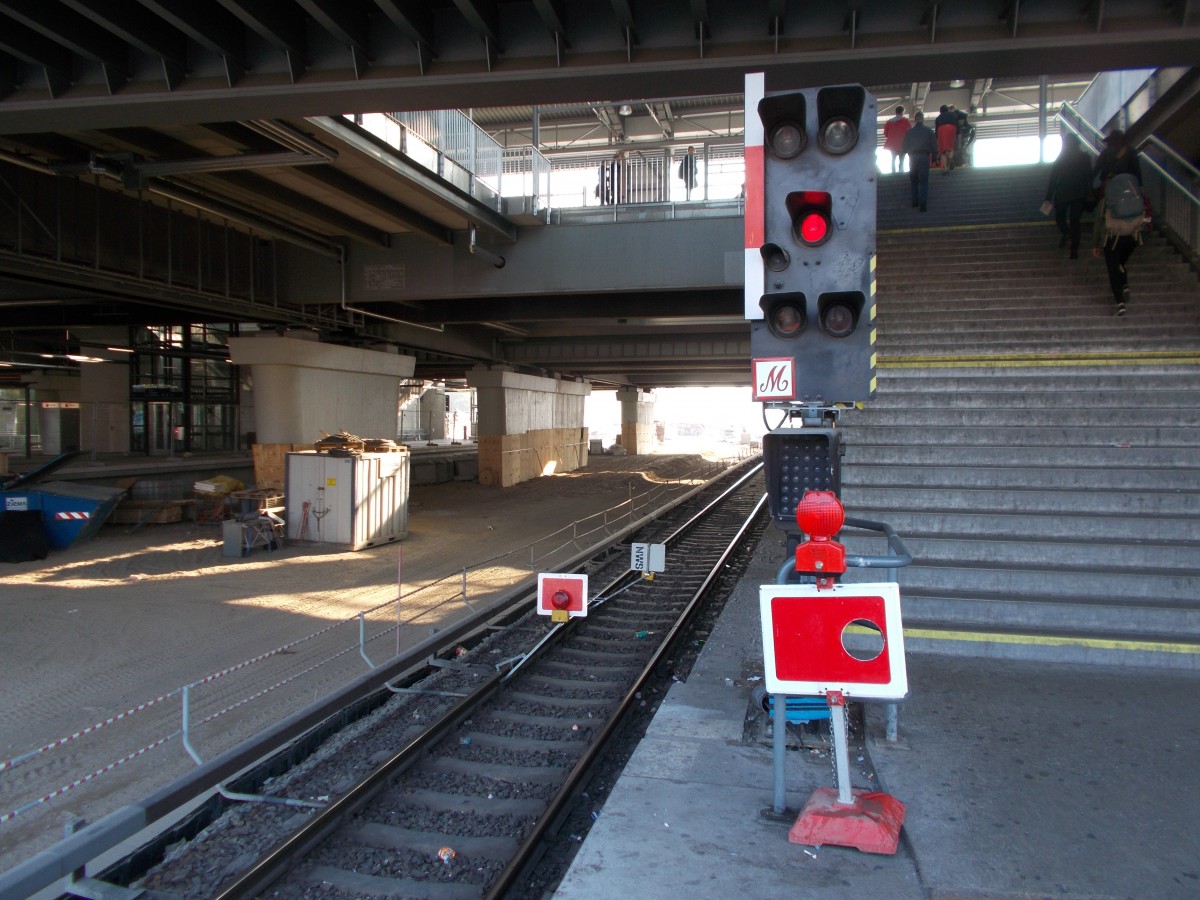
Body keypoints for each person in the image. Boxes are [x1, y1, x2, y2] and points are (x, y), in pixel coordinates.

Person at [1091, 129, 1144, 316]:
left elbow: (1095, 174)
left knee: (1112, 262)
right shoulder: (1131, 152)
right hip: (1132, 218)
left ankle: (1120, 302)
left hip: (1112, 214)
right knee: (1120, 260)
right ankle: (1124, 280)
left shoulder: (1105, 153)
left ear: (1109, 141)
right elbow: (1139, 178)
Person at [1044, 134, 1092, 259]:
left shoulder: (1061, 157)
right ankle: (1074, 250)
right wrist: (1089, 193)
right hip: (1079, 194)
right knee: (1075, 222)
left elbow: (1053, 178)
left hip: (1063, 193)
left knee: (1060, 218)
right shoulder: (1085, 157)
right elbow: (1089, 177)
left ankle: (1067, 233)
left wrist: (1048, 197)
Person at [900, 111, 937, 212]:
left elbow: (904, 147)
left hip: (912, 158)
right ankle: (923, 204)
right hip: (924, 157)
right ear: (923, 119)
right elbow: (934, 145)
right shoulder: (929, 131)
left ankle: (915, 201)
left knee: (914, 180)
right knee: (924, 181)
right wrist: (935, 157)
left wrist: (901, 161)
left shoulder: (909, 132)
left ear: (915, 120)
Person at [882, 106, 912, 173]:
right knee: (901, 160)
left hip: (892, 145)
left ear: (896, 112)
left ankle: (893, 172)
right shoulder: (906, 121)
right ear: (902, 112)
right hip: (902, 144)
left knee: (893, 159)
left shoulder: (889, 122)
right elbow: (910, 133)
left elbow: (885, 134)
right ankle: (901, 172)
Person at [934, 104, 958, 173]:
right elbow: (957, 126)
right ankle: (950, 157)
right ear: (948, 110)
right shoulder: (953, 115)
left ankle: (945, 168)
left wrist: (937, 140)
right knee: (951, 147)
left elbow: (936, 131)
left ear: (940, 111)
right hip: (952, 128)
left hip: (941, 129)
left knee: (942, 151)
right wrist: (958, 135)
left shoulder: (938, 118)